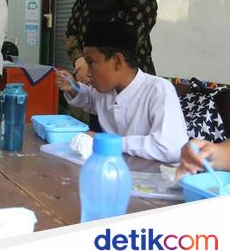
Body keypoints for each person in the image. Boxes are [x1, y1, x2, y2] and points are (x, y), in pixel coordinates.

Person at [56, 20, 187, 163]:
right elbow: (89, 100)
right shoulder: (105, 91)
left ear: (118, 61)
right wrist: (72, 87)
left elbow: (172, 148)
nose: (87, 72)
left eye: (91, 63)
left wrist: (110, 143)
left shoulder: (159, 90)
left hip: (154, 178)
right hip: (115, 170)